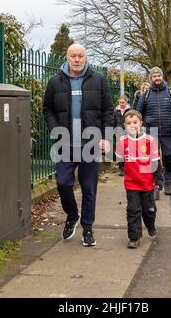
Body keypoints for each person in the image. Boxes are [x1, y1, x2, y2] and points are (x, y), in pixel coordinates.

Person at [43, 43, 113, 247]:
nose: (76, 59)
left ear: (85, 57)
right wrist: (56, 130)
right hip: (65, 143)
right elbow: (47, 109)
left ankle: (88, 228)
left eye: (80, 56)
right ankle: (72, 214)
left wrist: (106, 137)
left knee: (89, 188)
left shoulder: (99, 80)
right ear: (67, 57)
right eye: (73, 56)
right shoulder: (56, 82)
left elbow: (108, 110)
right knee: (63, 182)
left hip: (90, 144)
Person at [115, 110, 160, 249]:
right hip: (132, 183)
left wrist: (158, 182)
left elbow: (156, 163)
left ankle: (151, 226)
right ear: (124, 125)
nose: (132, 125)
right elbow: (120, 159)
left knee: (149, 211)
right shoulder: (123, 141)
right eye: (128, 123)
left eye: (135, 122)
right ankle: (134, 237)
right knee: (133, 210)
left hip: (147, 184)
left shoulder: (150, 140)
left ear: (141, 123)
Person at [136, 67, 171, 197]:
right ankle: (156, 185)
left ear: (162, 76)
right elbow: (138, 113)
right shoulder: (145, 95)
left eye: (158, 76)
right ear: (151, 78)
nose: (157, 78)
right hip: (151, 133)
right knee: (153, 160)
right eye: (154, 76)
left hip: (169, 133)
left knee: (168, 159)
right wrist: (140, 129)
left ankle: (168, 183)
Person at [114, 94, 131, 176]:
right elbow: (113, 121)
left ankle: (128, 168)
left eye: (123, 102)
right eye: (120, 102)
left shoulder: (130, 110)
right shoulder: (116, 111)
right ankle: (121, 168)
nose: (121, 104)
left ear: (126, 102)